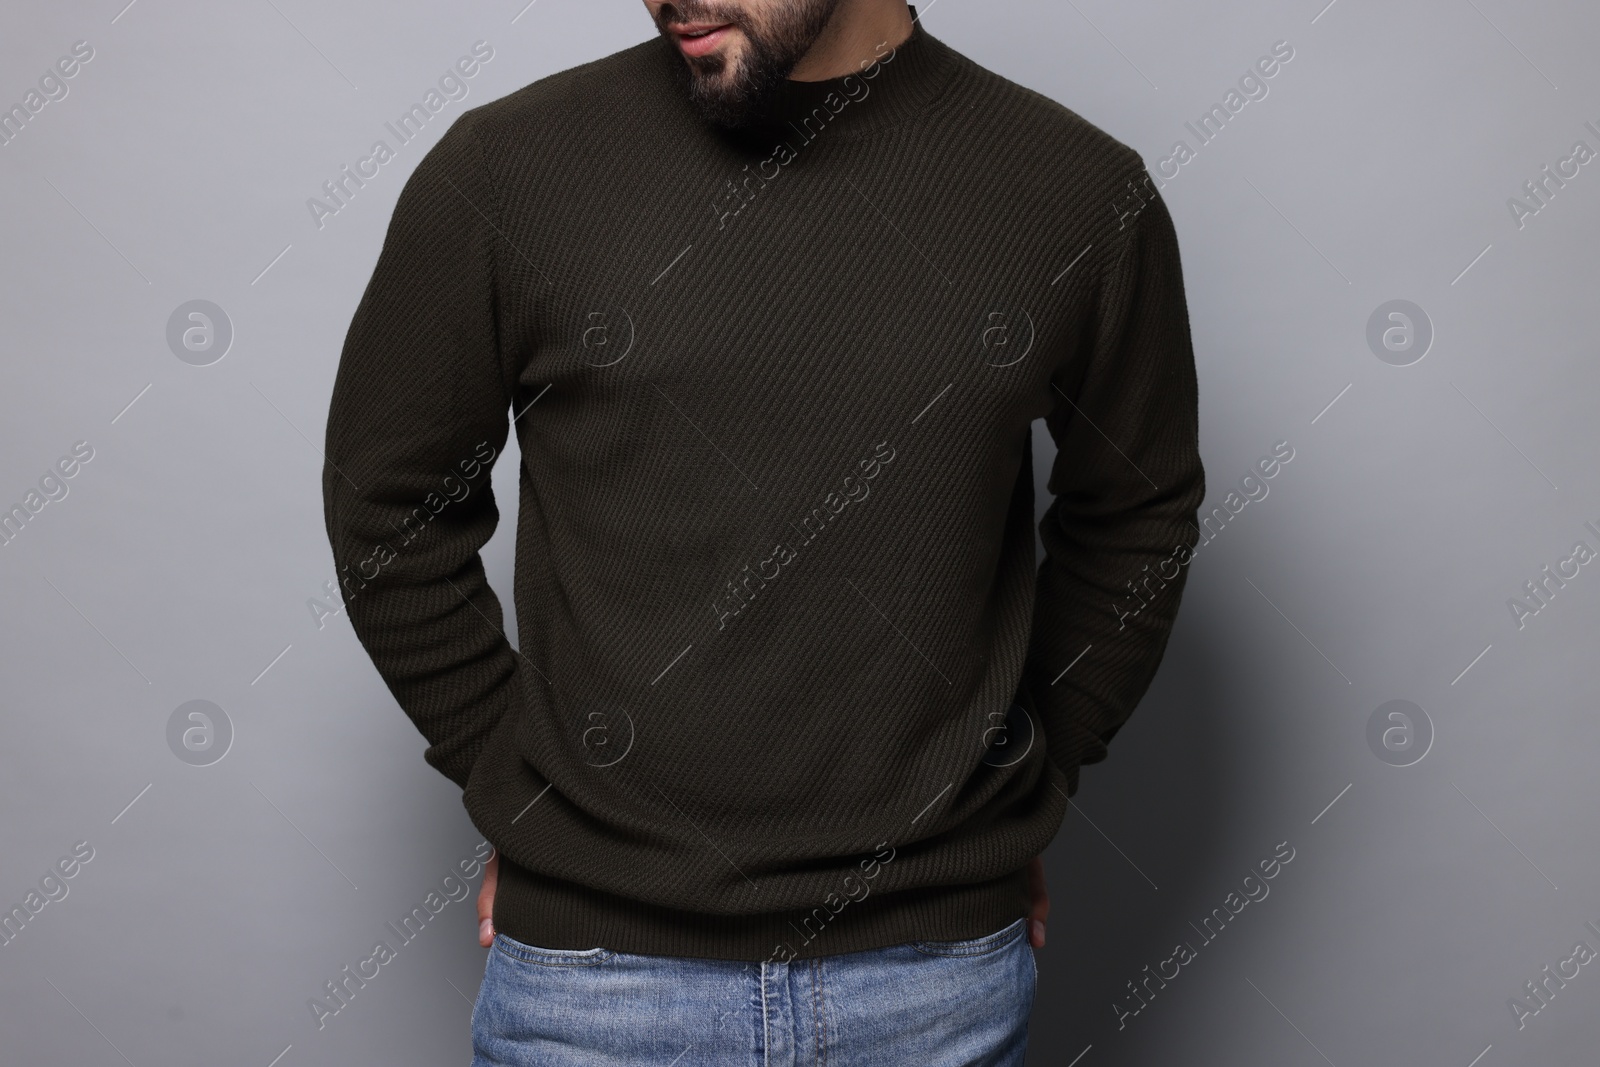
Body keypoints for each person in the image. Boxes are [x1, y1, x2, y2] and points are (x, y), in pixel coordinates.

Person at [321, 0, 1205, 1061]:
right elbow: (388, 498)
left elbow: (1136, 513)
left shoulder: (1073, 190)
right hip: (594, 997)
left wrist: (1028, 764)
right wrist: (520, 780)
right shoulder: (507, 169)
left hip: (932, 992)